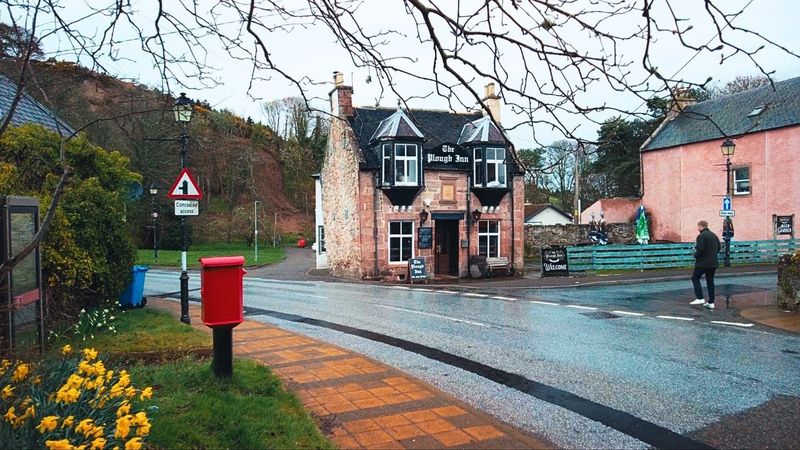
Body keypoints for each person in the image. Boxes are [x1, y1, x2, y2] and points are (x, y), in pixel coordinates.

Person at [689, 220, 721, 309]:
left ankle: (700, 298)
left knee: (695, 278)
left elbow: (701, 249)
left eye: (698, 226)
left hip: (702, 263)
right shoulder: (714, 235)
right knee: (710, 281)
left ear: (700, 226)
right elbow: (718, 248)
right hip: (713, 263)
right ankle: (711, 302)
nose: (697, 228)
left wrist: (696, 255)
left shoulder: (701, 236)